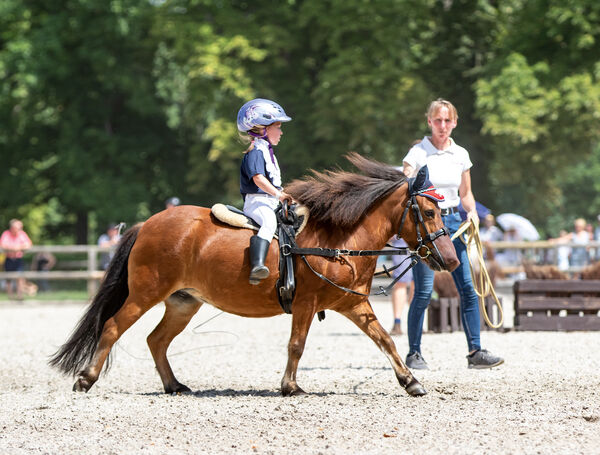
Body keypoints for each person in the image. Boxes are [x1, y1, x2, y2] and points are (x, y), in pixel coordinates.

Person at [402, 98, 503, 370]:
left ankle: (475, 351)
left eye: (448, 121)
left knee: (468, 289)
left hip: (454, 222)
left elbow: (466, 194)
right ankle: (414, 353)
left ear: (454, 123)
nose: (443, 126)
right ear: (429, 122)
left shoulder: (461, 154)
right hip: (427, 226)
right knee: (423, 292)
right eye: (438, 120)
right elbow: (408, 183)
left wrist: (471, 213)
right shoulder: (417, 153)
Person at [237, 98, 292, 284]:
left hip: (270, 202)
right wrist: (279, 194)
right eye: (278, 126)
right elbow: (258, 179)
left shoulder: (268, 153)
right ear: (263, 129)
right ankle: (257, 266)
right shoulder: (255, 152)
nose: (281, 132)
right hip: (257, 202)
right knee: (269, 222)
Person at [0, 219, 33, 300]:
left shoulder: (22, 234)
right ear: (12, 227)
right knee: (8, 278)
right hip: (9, 259)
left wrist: (18, 247)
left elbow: (28, 244)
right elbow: (2, 245)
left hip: (18, 259)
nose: (19, 229)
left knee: (20, 278)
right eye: (18, 228)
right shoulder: (6, 234)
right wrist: (13, 248)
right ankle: (10, 297)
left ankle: (20, 296)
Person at [389, 237, 413, 336]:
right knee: (400, 282)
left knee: (418, 284)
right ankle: (397, 322)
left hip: (422, 239)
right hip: (402, 240)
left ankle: (416, 322)